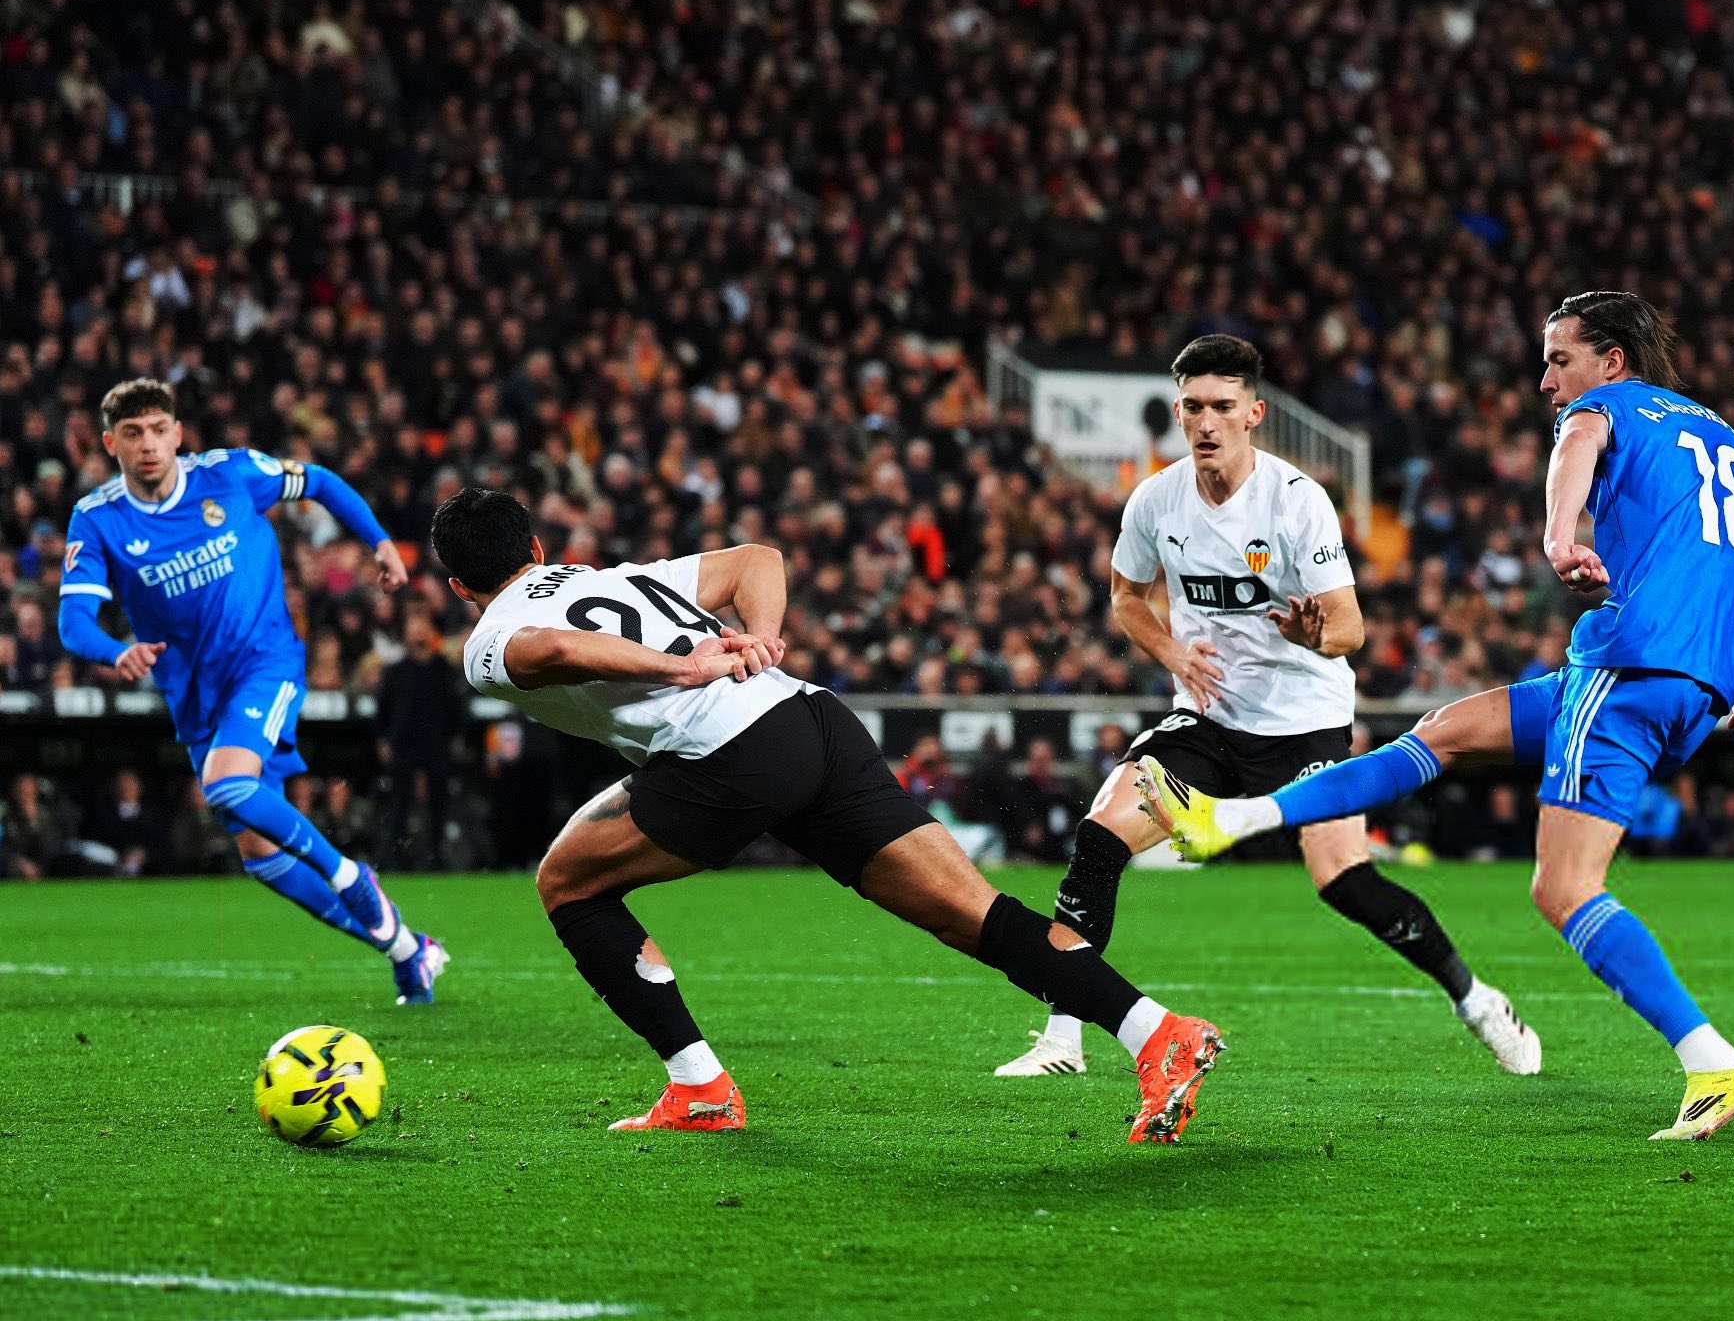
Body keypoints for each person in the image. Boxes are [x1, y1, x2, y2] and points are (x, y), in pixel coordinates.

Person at [1141, 294, 1734, 1141]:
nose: (1547, 381)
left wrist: (1558, 534)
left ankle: (1713, 1059)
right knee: (1446, 730)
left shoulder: (1608, 407)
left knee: (1564, 887)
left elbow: (1577, 441)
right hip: (1692, 686)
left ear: (1612, 361)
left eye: (1559, 359)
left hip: (1632, 664)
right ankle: (1233, 819)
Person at [430, 486, 1223, 1143]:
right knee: (974, 915)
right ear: (538, 547)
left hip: (729, 753)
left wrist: (683, 669)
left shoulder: (488, 638)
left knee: (567, 883)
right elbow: (758, 559)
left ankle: (699, 1088)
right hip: (811, 720)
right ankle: (1156, 1032)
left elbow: (551, 650)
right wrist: (762, 641)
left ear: (459, 586)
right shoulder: (623, 577)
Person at [994, 334, 1540, 1080]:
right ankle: (1063, 1038)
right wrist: (1174, 654)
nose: (1206, 422)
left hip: (1302, 725)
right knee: (1099, 837)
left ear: (1253, 413)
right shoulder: (1155, 500)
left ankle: (1476, 1000)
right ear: (1177, 414)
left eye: (1223, 406)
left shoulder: (1295, 501)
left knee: (1343, 880)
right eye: (1193, 407)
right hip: (1209, 720)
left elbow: (1351, 627)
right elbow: (1126, 597)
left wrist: (1316, 635)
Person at [55, 379, 447, 1003]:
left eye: (157, 430)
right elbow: (73, 621)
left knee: (227, 785)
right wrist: (114, 650)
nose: (148, 444)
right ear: (110, 444)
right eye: (132, 433)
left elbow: (319, 481)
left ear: (178, 434)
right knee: (258, 850)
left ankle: (351, 875)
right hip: (194, 692)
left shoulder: (230, 475)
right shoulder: (97, 517)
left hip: (264, 663)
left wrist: (379, 542)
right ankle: (407, 949)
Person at [375, 608, 467, 867]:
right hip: (403, 744)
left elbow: (457, 710)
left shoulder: (445, 670)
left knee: (439, 804)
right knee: (398, 804)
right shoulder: (394, 672)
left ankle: (436, 857)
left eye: (421, 623)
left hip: (437, 744)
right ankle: (394, 858)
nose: (417, 630)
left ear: (431, 629)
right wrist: (383, 739)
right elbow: (382, 709)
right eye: (412, 624)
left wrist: (455, 737)